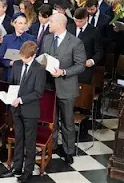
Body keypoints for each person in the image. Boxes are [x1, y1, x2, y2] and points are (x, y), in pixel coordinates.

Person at [39, 13, 86, 164]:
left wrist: (64, 72)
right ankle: (51, 147)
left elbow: (80, 65)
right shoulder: (46, 39)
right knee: (51, 120)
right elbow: (42, 58)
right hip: (48, 86)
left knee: (67, 122)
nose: (48, 24)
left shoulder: (75, 42)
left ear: (60, 24)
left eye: (51, 21)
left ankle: (68, 151)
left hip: (66, 87)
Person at [2, 41, 46, 183]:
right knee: (18, 138)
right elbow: (13, 83)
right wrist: (9, 96)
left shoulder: (39, 69)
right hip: (16, 109)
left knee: (30, 142)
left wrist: (20, 99)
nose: (22, 59)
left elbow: (38, 93)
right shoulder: (17, 64)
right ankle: (16, 167)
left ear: (33, 56)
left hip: (30, 110)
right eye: (21, 56)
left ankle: (28, 171)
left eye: (25, 57)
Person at [68, 8, 103, 84]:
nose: (78, 23)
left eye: (80, 21)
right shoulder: (69, 28)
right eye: (76, 20)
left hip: (85, 67)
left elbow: (99, 51)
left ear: (86, 18)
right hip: (69, 65)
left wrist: (92, 61)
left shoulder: (94, 31)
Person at [0, 13, 36, 81]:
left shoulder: (31, 39)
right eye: (20, 23)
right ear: (14, 24)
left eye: (25, 23)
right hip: (9, 74)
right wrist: (9, 63)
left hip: (24, 75)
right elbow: (0, 58)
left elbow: (34, 57)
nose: (23, 26)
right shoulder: (7, 38)